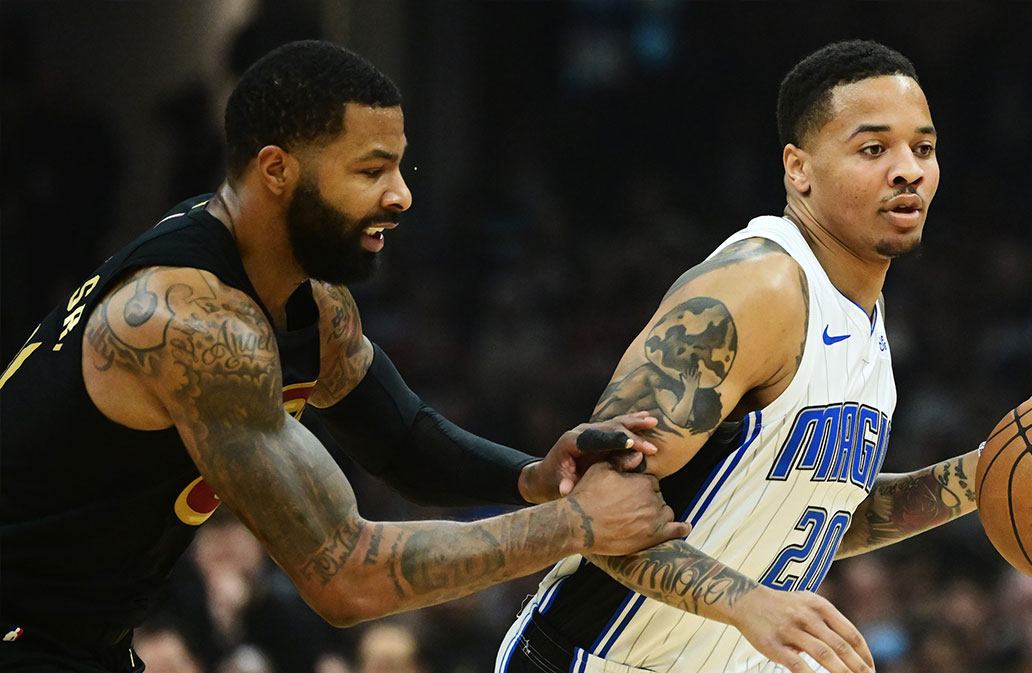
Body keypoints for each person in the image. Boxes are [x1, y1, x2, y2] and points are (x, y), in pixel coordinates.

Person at [0, 40, 690, 672]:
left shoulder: (306, 296)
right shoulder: (192, 321)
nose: (402, 194)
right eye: (372, 169)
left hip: (77, 637)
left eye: (399, 165)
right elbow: (344, 575)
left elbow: (403, 441)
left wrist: (537, 478)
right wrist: (574, 525)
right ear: (277, 170)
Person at [497, 39, 1032, 673]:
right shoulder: (756, 290)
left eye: (923, 148)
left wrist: (979, 476)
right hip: (599, 659)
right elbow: (594, 513)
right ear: (798, 168)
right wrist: (746, 604)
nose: (908, 170)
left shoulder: (863, 314)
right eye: (874, 149)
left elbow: (809, 516)